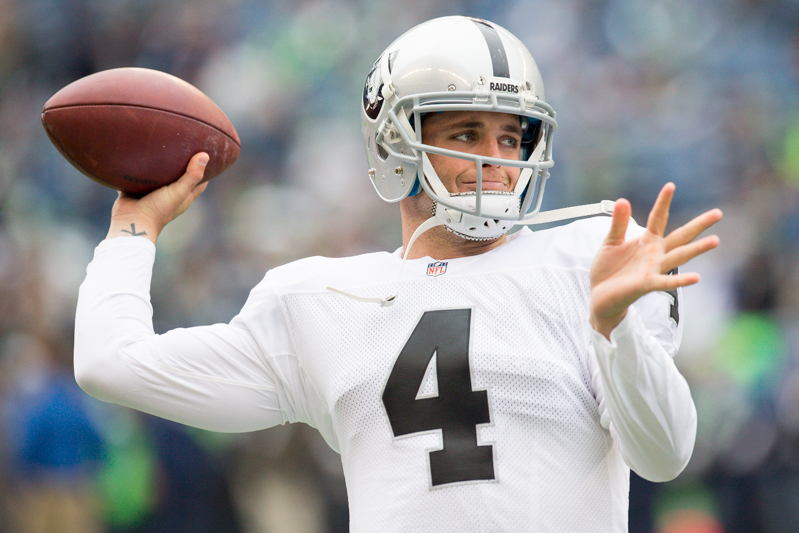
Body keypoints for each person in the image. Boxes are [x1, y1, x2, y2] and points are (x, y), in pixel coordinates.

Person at [74, 16, 722, 532]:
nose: (497, 161)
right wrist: (133, 228)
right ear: (395, 146)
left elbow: (664, 454)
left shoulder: (592, 260)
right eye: (466, 133)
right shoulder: (318, 300)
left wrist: (615, 329)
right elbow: (110, 364)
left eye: (511, 137)